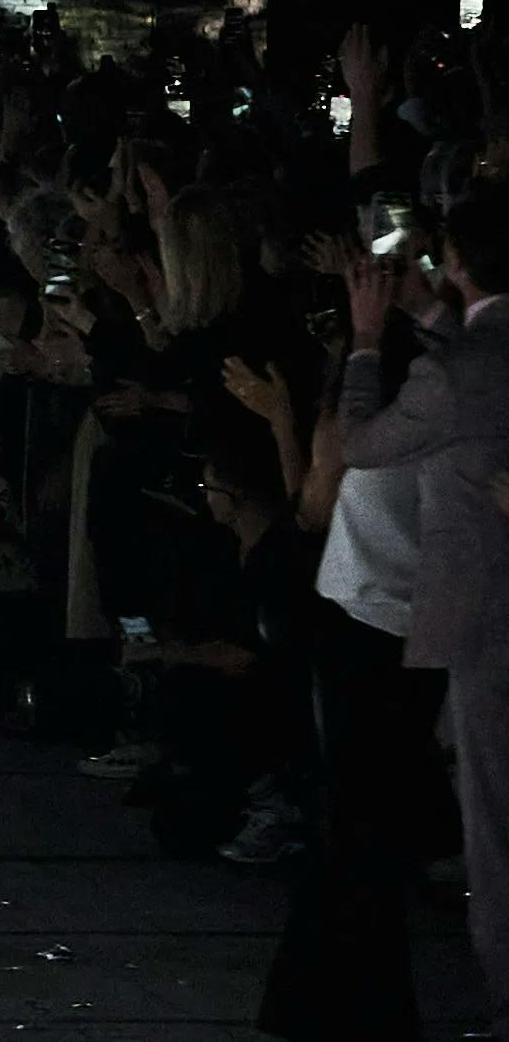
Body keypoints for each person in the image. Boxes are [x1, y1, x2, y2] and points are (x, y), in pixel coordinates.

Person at [334, 192, 508, 1018]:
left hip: (487, 614)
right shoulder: (475, 351)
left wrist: (367, 342)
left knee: (496, 832)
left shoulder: (454, 371)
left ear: (459, 260)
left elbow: (363, 445)